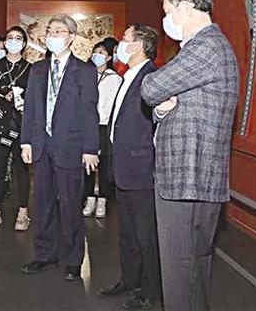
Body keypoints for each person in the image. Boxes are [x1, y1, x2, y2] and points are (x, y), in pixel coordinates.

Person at [141, 0, 239, 311]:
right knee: (193, 269)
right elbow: (169, 102)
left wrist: (159, 100)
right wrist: (162, 110)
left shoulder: (205, 45)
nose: (166, 20)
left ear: (185, 7)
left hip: (187, 177)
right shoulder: (209, 47)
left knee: (180, 272)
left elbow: (150, 87)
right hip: (196, 178)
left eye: (168, 11)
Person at [20, 15, 99, 281]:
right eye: (50, 30)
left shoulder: (84, 70)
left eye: (59, 31)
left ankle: (74, 259)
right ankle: (45, 255)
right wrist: (26, 141)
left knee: (70, 205)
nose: (52, 35)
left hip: (71, 146)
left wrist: (90, 148)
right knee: (42, 203)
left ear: (71, 37)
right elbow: (30, 108)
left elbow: (90, 111)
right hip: (42, 145)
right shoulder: (38, 69)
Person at [99, 24, 162, 310]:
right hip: (122, 166)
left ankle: (150, 290)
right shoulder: (127, 76)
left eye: (124, 39)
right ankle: (129, 279)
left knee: (145, 233)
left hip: (141, 168)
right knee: (126, 231)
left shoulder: (152, 78)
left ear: (138, 46)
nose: (119, 45)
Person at [0, 27, 32, 231]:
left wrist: (22, 98)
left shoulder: (31, 69)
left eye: (18, 38)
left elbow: (37, 98)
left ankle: (23, 211)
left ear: (24, 43)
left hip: (22, 126)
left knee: (22, 169)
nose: (13, 41)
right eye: (10, 38)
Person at [83, 41, 122, 218]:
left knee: (105, 163)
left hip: (104, 126)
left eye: (101, 52)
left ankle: (103, 200)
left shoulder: (114, 78)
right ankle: (89, 197)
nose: (97, 55)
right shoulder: (85, 75)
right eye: (95, 51)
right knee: (87, 163)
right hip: (87, 125)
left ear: (108, 57)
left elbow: (112, 105)